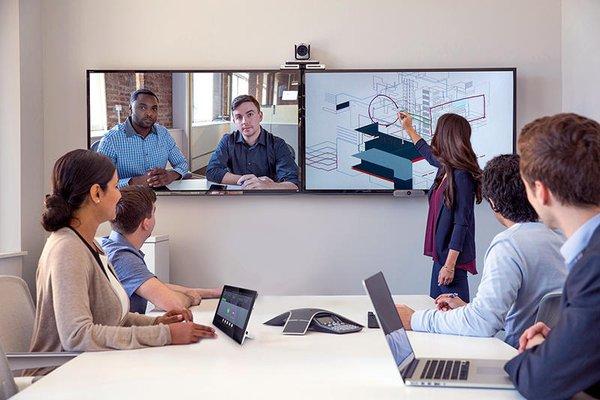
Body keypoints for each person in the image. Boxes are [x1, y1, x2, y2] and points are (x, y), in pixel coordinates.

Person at [27, 149, 215, 376]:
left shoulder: (89, 244)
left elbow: (112, 320)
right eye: (115, 187)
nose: (119, 195)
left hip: (90, 368)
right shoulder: (67, 249)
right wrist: (165, 335)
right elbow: (77, 337)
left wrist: (157, 324)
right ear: (97, 193)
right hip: (59, 378)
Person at [395, 154, 567, 348]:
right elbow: (533, 315)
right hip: (557, 355)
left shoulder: (509, 245)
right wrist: (470, 309)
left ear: (493, 202)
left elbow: (483, 324)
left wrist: (414, 319)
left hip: (518, 359)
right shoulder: (562, 237)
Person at [502, 113, 600, 399]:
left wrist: (539, 352)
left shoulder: (593, 265)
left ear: (540, 192)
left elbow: (540, 382)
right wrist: (563, 341)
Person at [399, 112, 481, 302]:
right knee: (437, 311)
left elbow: (462, 224)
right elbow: (427, 153)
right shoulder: (446, 167)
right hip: (441, 257)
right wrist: (409, 128)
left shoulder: (462, 175)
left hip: (451, 262)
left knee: (451, 317)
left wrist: (449, 266)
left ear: (445, 136)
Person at [101, 185, 222, 314]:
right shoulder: (124, 258)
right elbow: (174, 304)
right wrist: (190, 298)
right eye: (154, 212)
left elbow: (153, 285)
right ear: (146, 223)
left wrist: (210, 292)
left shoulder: (111, 246)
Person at [97, 88, 189, 188]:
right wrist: (133, 182)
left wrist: (170, 175)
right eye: (143, 108)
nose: (149, 114)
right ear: (130, 109)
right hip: (126, 197)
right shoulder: (111, 139)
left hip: (160, 194)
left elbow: (182, 163)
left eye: (154, 109)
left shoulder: (163, 133)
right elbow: (101, 182)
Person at [205, 94, 300, 190]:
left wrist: (268, 186)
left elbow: (293, 183)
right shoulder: (228, 141)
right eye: (239, 117)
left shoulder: (277, 144)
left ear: (260, 116)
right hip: (238, 197)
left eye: (250, 114)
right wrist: (247, 180)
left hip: (268, 198)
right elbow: (212, 171)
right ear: (234, 121)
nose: (244, 121)